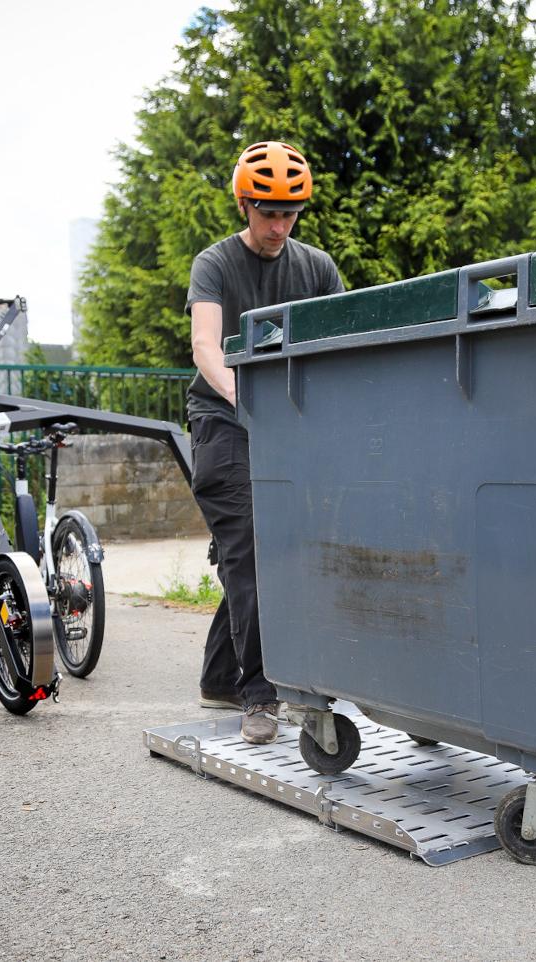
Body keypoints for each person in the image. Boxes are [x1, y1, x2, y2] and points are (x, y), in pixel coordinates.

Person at [186, 141, 344, 745]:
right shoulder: (215, 263)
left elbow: (337, 349)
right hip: (224, 419)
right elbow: (206, 346)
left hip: (290, 423)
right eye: (267, 212)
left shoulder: (317, 268)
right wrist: (247, 402)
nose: (279, 226)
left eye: (290, 213)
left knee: (275, 545)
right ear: (245, 204)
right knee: (252, 546)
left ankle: (220, 676)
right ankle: (260, 693)